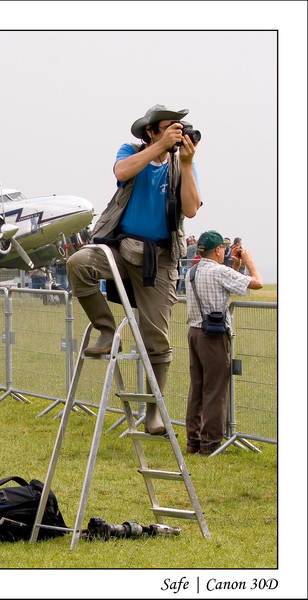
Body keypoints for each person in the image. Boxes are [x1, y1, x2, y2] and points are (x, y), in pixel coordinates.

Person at [66, 104, 201, 435]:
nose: (178, 133)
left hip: (161, 258)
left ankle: (153, 412)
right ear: (152, 131)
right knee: (78, 264)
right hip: (119, 247)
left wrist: (186, 162)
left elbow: (191, 209)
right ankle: (107, 329)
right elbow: (122, 172)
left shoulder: (181, 164)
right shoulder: (133, 150)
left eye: (181, 128)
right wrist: (157, 148)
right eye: (172, 128)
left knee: (158, 340)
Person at [185, 231, 262, 456]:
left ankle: (194, 440)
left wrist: (235, 266)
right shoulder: (219, 271)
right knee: (216, 389)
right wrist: (249, 262)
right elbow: (256, 283)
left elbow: (229, 287)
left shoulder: (192, 271)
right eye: (224, 249)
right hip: (214, 336)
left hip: (195, 332)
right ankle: (210, 444)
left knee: (197, 388)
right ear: (218, 250)